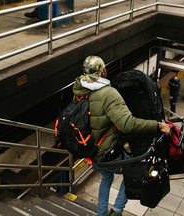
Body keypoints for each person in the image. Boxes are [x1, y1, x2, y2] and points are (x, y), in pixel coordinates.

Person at [72, 56, 172, 216]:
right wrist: (157, 125)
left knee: (107, 177)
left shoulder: (79, 90)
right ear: (103, 71)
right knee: (136, 169)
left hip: (89, 153)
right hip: (106, 155)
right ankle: (117, 210)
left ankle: (101, 213)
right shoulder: (108, 93)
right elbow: (127, 124)